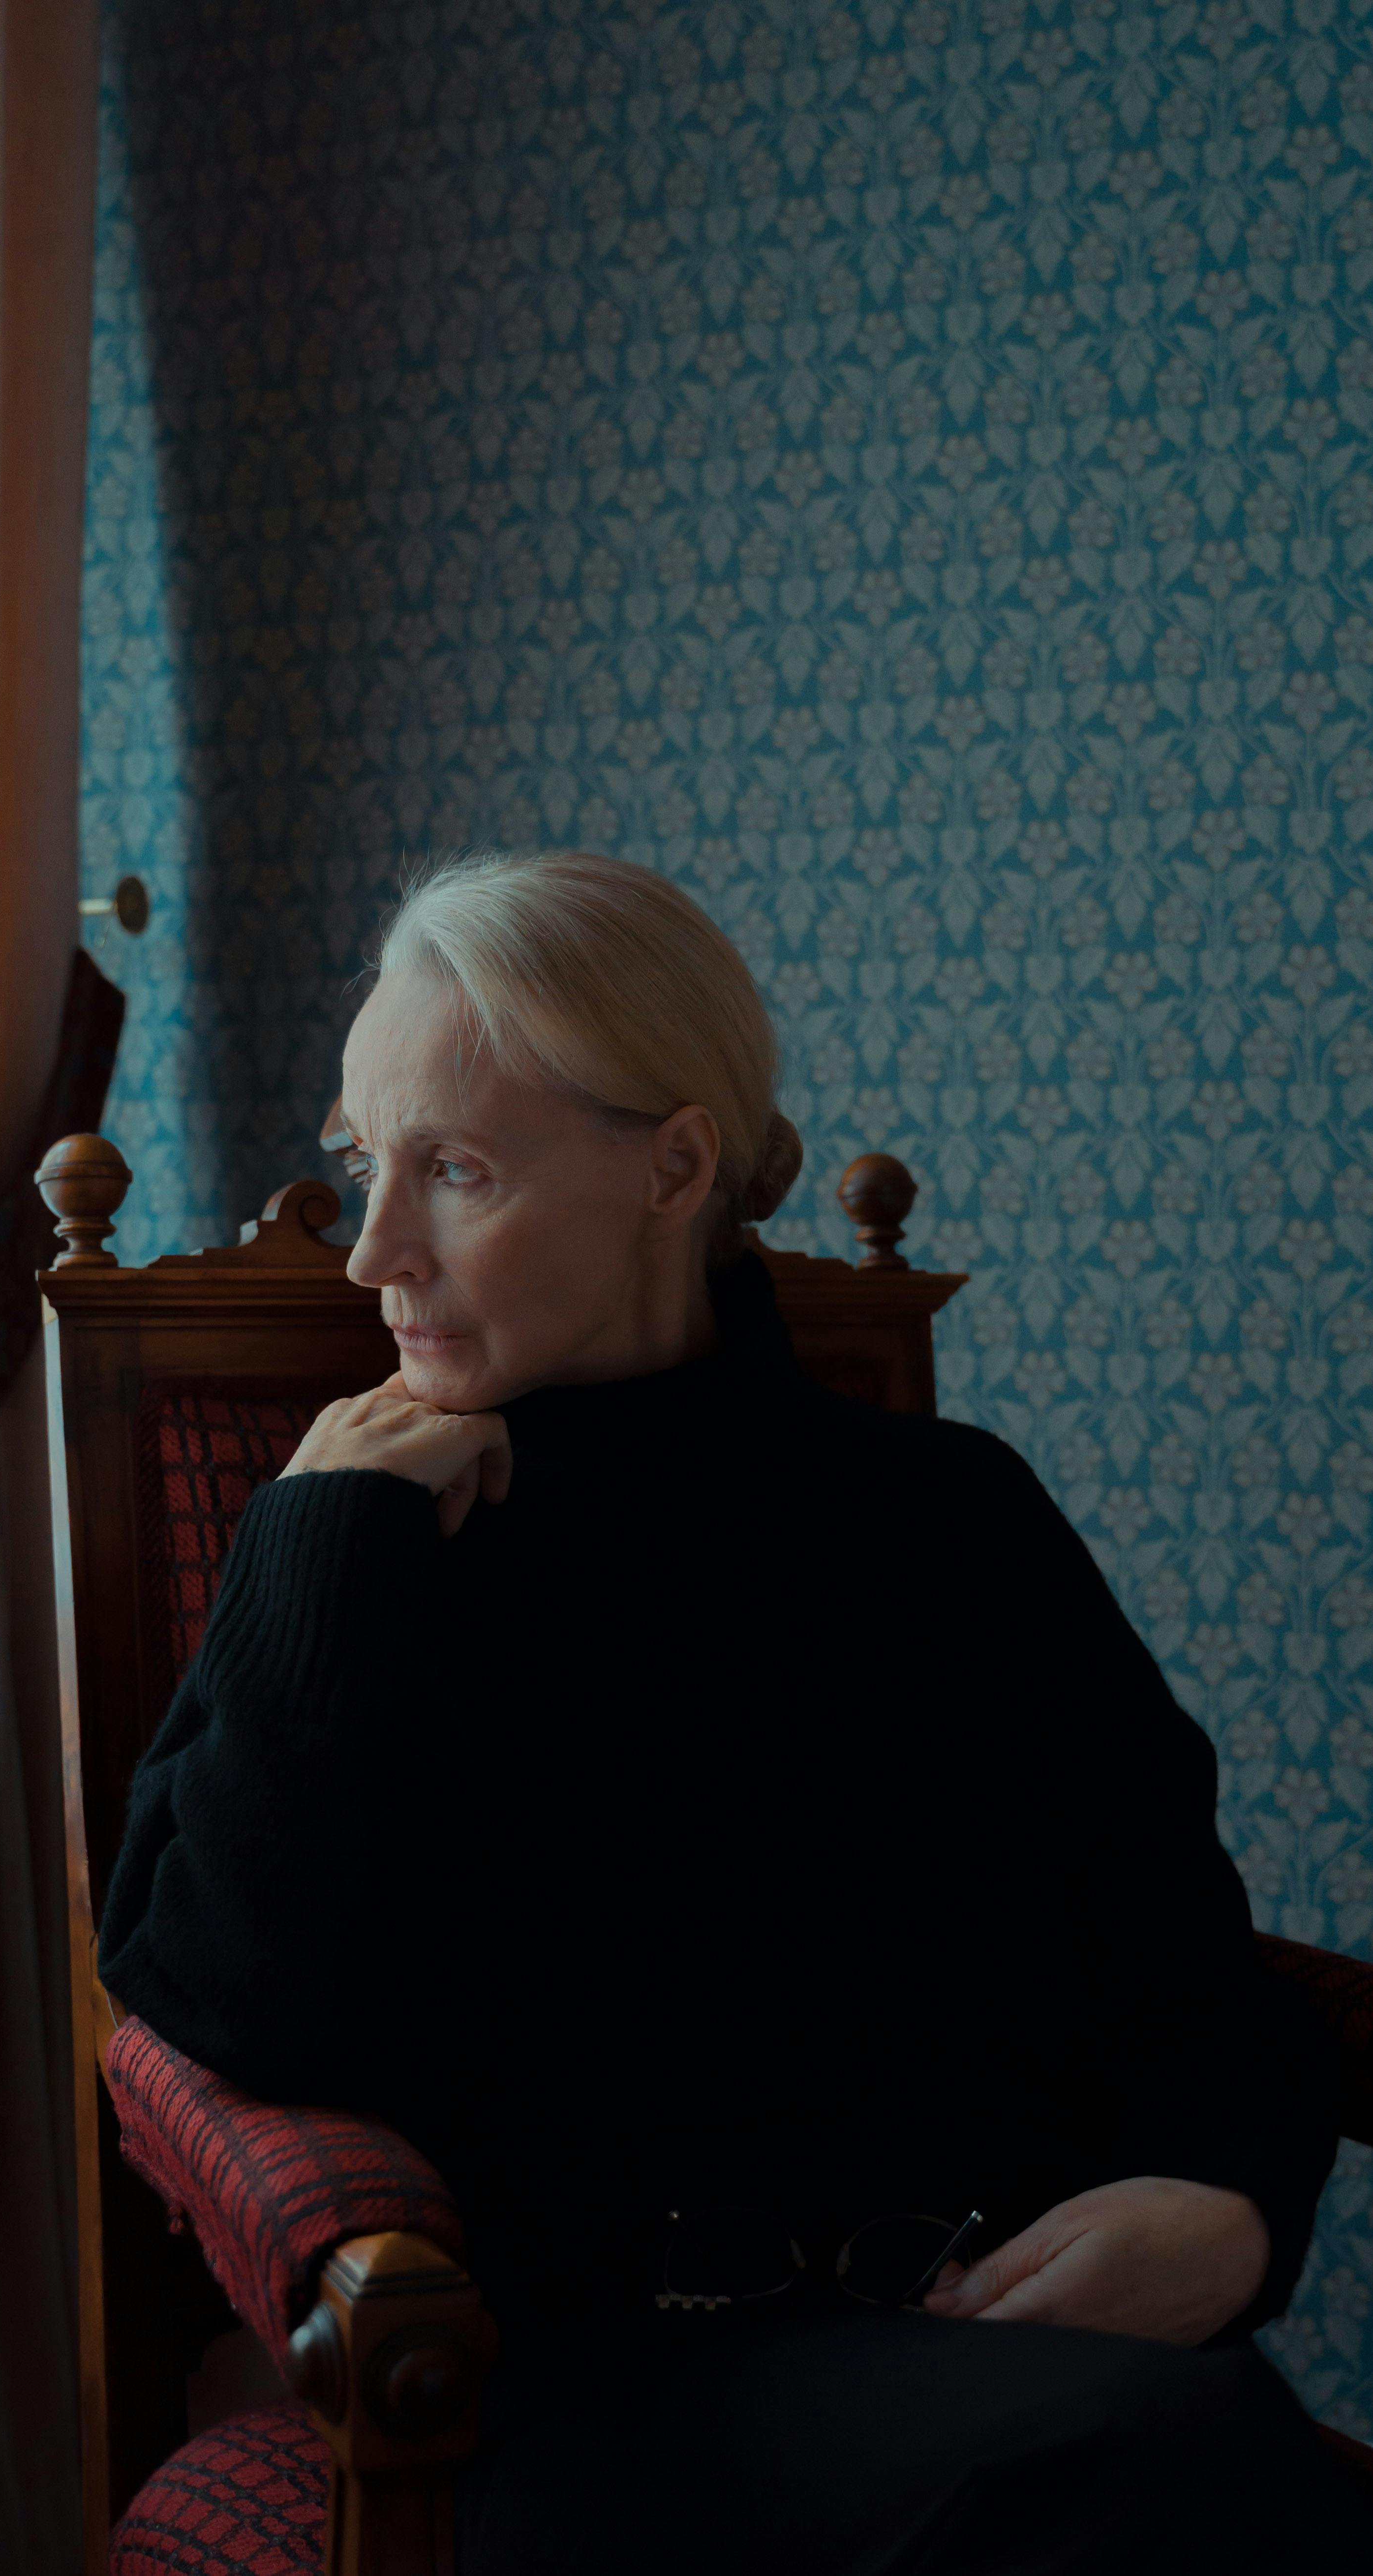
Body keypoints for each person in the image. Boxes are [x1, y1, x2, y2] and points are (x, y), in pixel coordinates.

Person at [99, 849, 1368, 2569]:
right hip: (584, 2399)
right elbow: (228, 2008)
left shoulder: (948, 1516)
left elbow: (1181, 1961)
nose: (372, 1254)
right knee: (1174, 2473)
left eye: (452, 1170)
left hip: (994, 2352)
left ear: (674, 1166)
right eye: (355, 1167)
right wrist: (316, 1553)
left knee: (1180, 2463)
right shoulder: (360, 1550)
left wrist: (1232, 2206)